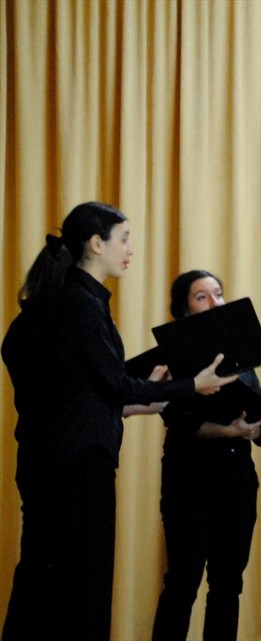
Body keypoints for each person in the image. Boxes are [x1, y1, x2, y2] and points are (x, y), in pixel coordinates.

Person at [44, 202, 237, 640]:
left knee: (85, 580)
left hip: (87, 456)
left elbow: (102, 390)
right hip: (79, 461)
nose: (130, 249)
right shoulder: (79, 303)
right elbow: (113, 385)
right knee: (82, 583)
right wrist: (191, 386)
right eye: (124, 238)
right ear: (97, 244)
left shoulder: (87, 300)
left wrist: (146, 396)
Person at [152, 270, 261, 641]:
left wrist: (254, 427)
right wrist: (227, 430)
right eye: (202, 296)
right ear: (184, 309)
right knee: (182, 581)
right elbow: (176, 418)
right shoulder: (174, 355)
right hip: (190, 481)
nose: (214, 302)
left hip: (237, 481)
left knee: (228, 584)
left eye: (218, 294)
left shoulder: (241, 353)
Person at [1, 236, 73, 640]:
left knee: (36, 564)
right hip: (66, 458)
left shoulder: (21, 328)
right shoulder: (58, 329)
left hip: (34, 455)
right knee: (63, 571)